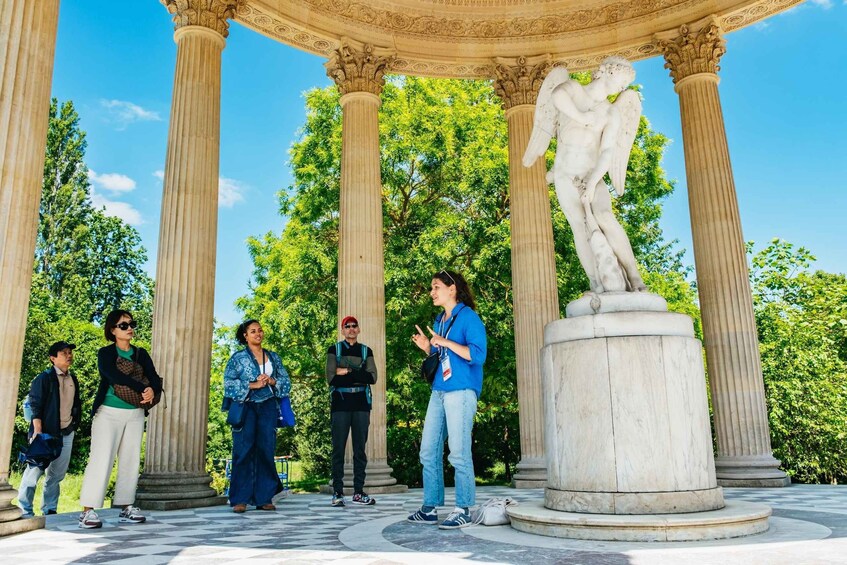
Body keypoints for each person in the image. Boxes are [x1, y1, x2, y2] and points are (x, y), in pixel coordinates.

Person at [523, 56, 646, 293]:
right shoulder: (574, 90)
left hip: (592, 174)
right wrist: (583, 118)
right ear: (606, 71)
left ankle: (634, 275)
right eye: (622, 80)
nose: (622, 87)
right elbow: (557, 95)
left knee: (605, 216)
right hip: (565, 174)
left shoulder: (612, 113)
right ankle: (596, 282)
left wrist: (592, 182)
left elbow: (608, 151)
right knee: (579, 227)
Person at [407, 270, 487, 529]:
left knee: (459, 452)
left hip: (462, 390)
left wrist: (444, 341)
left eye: (436, 287)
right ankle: (430, 507)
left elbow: (477, 355)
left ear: (452, 289)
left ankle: (463, 508)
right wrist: (429, 348)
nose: (432, 292)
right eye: (432, 288)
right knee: (428, 450)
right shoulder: (440, 320)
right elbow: (442, 356)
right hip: (439, 390)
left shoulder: (469, 318)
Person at [78, 310, 162, 528]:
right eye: (123, 325)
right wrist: (142, 388)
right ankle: (87, 511)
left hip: (135, 413)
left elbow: (154, 376)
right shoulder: (105, 353)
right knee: (101, 459)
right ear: (113, 330)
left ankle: (126, 506)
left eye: (131, 324)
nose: (129, 328)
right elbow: (112, 375)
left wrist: (152, 390)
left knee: (131, 459)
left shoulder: (140, 354)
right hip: (108, 413)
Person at [223, 319, 291, 513]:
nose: (258, 334)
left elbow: (286, 382)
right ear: (245, 335)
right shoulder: (237, 358)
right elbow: (228, 384)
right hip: (247, 406)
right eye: (253, 331)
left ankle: (264, 497)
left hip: (268, 407)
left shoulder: (274, 357)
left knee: (266, 450)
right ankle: (240, 499)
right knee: (243, 450)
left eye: (260, 330)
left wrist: (271, 380)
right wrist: (252, 385)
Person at [17, 341, 82, 517]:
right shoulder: (43, 378)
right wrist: (37, 431)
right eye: (64, 353)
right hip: (44, 432)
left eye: (70, 352)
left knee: (56, 475)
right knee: (34, 472)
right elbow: (35, 404)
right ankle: (25, 509)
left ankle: (49, 509)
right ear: (52, 358)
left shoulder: (72, 378)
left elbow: (76, 404)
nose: (69, 355)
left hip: (66, 431)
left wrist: (74, 425)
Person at [325, 315, 378, 507]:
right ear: (342, 330)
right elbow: (331, 378)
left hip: (361, 403)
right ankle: (338, 492)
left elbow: (372, 377)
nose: (351, 329)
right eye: (347, 326)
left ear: (359, 329)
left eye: (354, 326)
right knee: (338, 449)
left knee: (359, 450)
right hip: (340, 403)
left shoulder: (366, 351)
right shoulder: (334, 350)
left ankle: (358, 492)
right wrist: (358, 373)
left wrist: (346, 371)